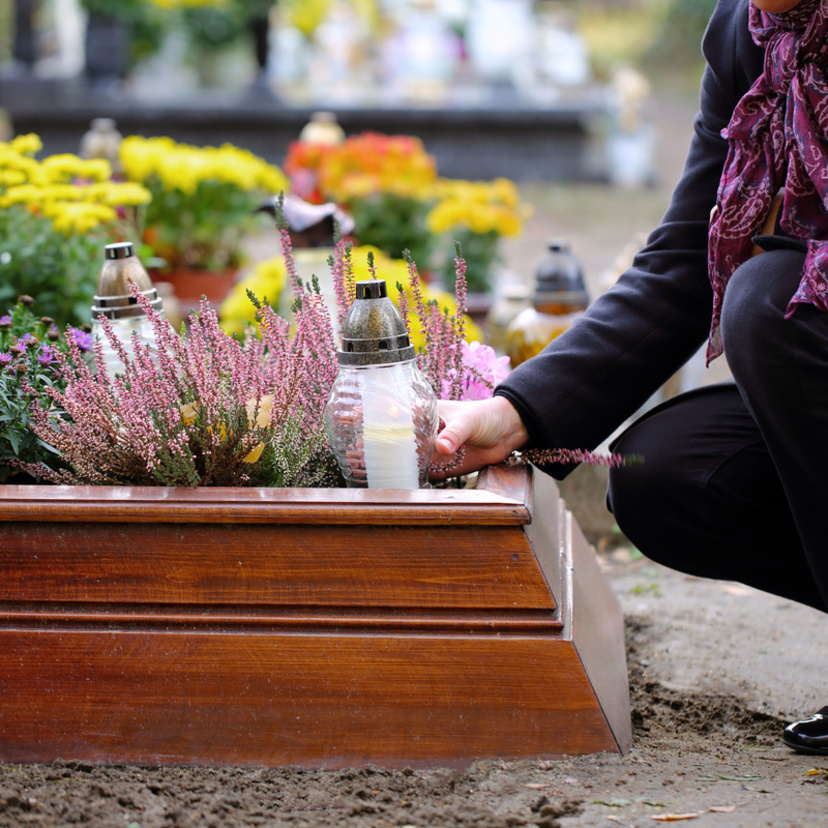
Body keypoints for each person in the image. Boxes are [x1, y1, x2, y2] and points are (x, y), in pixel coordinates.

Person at [433, 0, 828, 756]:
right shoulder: (751, 36)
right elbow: (686, 257)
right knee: (674, 478)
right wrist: (514, 413)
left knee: (773, 304)